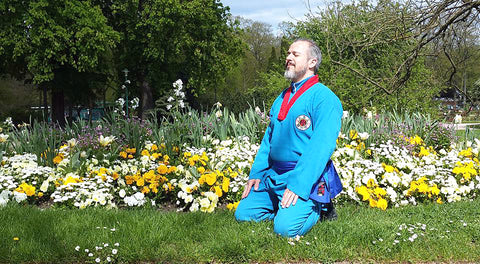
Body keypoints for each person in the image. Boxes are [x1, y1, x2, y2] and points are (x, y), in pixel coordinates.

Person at [234, 38, 343, 238]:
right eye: (288, 54)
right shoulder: (282, 97)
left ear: (312, 62)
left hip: (303, 177)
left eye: (295, 54)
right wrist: (256, 173)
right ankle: (284, 207)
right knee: (244, 214)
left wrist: (299, 184)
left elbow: (321, 147)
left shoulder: (325, 98)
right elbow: (269, 139)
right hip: (274, 177)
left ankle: (321, 207)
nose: (288, 58)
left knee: (285, 230)